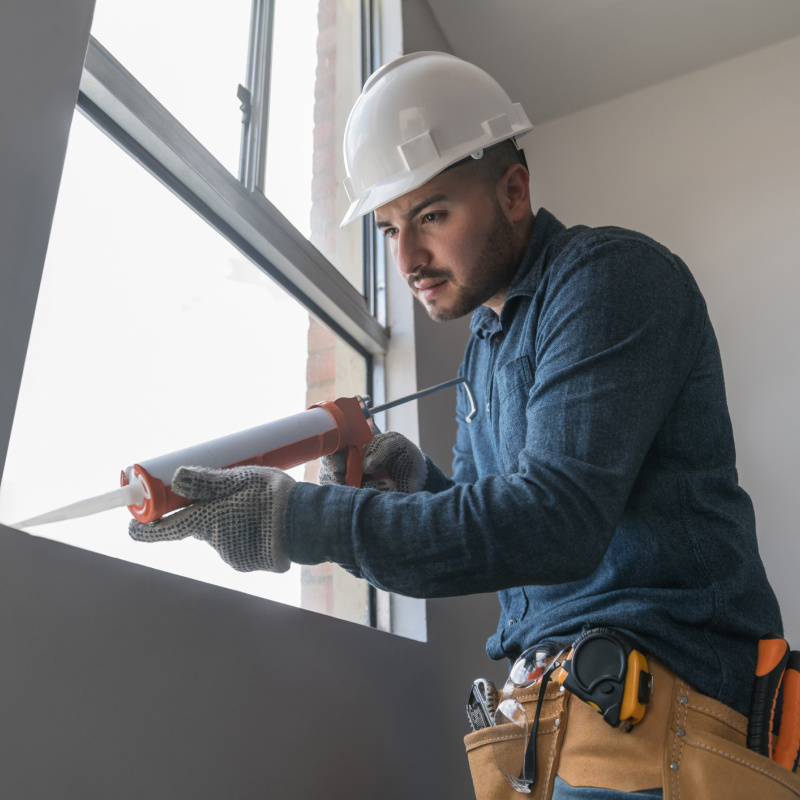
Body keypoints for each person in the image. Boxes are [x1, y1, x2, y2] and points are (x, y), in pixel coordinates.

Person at [129, 53, 796, 799]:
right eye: (388, 229)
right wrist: (417, 486)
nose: (409, 257)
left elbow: (555, 523)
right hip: (556, 721)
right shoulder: (487, 342)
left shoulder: (608, 279)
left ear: (514, 192)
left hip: (666, 715)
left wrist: (299, 520)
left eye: (432, 215)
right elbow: (505, 534)